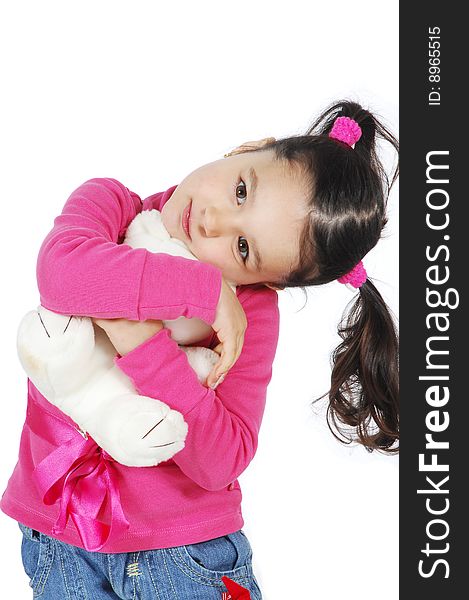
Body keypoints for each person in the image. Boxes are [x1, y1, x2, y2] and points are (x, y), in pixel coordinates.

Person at [0, 100, 399, 599]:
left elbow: (223, 458)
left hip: (182, 553)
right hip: (59, 533)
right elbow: (62, 274)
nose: (213, 223)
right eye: (240, 190)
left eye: (243, 249)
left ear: (268, 283)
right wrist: (203, 290)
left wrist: (144, 345)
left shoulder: (250, 313)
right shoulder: (109, 207)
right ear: (247, 149)